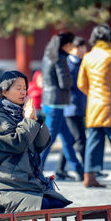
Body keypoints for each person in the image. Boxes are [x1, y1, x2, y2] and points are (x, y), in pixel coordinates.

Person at [0, 71, 72, 221]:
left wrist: (35, 119)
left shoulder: (22, 112)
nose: (23, 92)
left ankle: (12, 218)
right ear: (4, 91)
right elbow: (16, 143)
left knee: (55, 203)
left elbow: (41, 144)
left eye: (25, 88)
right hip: (5, 185)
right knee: (43, 205)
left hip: (27, 182)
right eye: (18, 88)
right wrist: (29, 121)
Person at [41, 32, 84, 181]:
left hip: (49, 101)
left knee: (67, 138)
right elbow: (64, 83)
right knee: (49, 140)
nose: (72, 47)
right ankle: (36, 168)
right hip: (57, 103)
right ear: (65, 45)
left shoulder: (48, 56)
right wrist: (73, 79)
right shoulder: (60, 59)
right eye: (71, 44)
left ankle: (79, 169)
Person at [77, 24, 111, 187]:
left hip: (93, 104)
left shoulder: (88, 57)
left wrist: (93, 94)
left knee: (93, 141)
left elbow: (81, 83)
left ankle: (89, 177)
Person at [56, 36, 87, 180]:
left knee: (71, 140)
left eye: (83, 47)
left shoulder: (83, 63)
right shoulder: (66, 63)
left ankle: (60, 169)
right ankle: (87, 170)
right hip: (70, 108)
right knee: (80, 139)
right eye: (79, 47)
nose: (83, 50)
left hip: (81, 106)